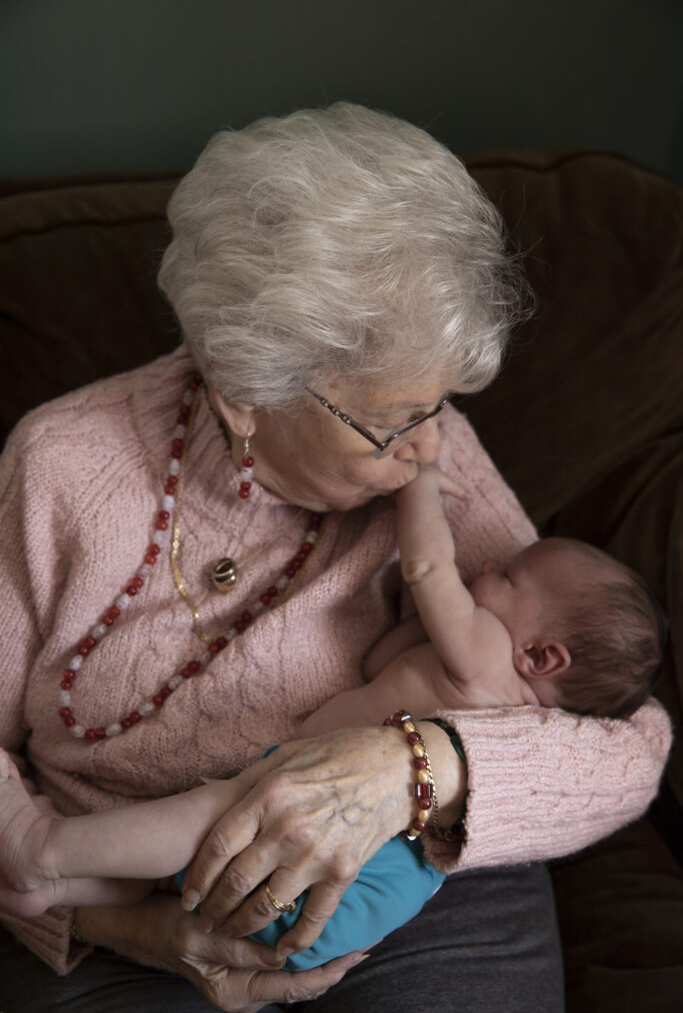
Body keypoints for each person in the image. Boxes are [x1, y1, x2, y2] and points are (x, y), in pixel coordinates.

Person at [0, 103, 670, 1013]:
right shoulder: (60, 467)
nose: (427, 448)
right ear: (246, 391)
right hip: (132, 892)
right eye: (392, 423)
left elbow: (627, 746)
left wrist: (415, 768)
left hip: (408, 876)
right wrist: (108, 924)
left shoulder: (430, 448)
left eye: (438, 405)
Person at [0, 463, 665, 970]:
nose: (489, 562)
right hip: (390, 887)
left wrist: (421, 490)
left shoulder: (489, 647)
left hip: (329, 823)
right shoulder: (513, 695)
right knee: (188, 863)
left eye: (509, 576)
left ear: (541, 657)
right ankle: (62, 898)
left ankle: (47, 852)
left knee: (213, 815)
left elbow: (430, 566)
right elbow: (383, 658)